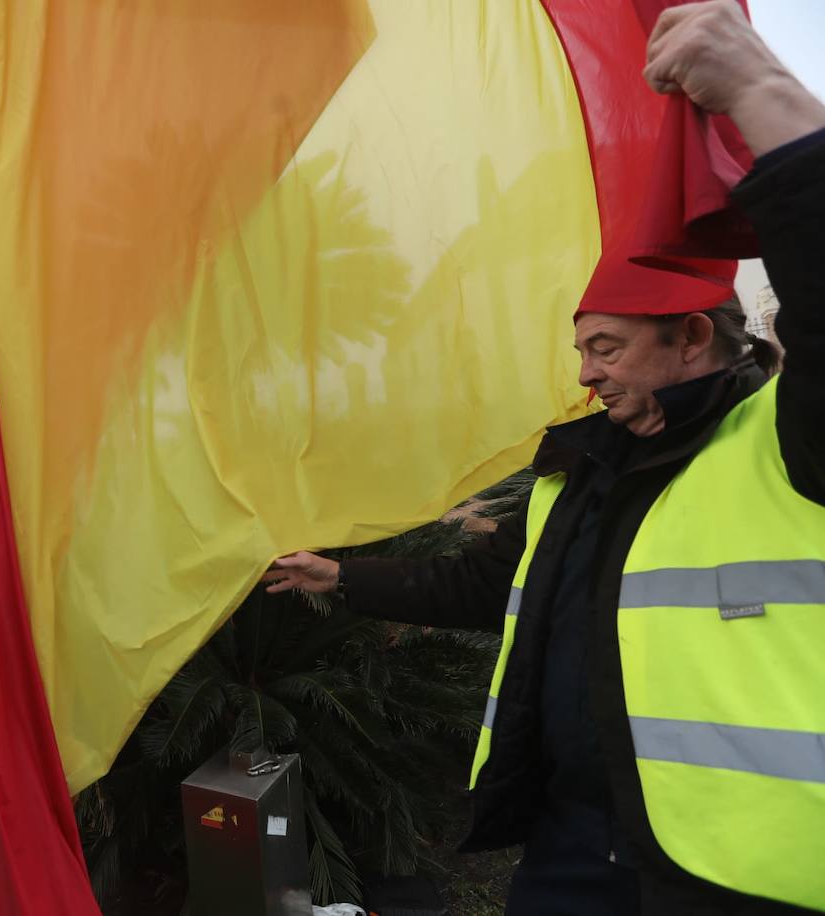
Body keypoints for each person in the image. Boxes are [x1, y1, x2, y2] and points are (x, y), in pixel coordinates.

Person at [264, 5, 825, 912]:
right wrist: (342, 576)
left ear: (688, 337)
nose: (584, 375)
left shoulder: (790, 443)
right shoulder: (582, 468)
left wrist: (759, 93)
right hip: (572, 849)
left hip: (739, 876)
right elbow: (489, 588)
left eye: (604, 348)